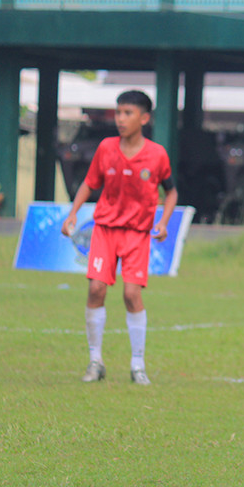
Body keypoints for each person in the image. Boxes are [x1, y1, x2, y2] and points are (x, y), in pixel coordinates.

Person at [61, 90, 177, 386]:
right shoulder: (106, 148)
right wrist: (73, 213)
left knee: (131, 295)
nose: (121, 119)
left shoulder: (157, 154)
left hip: (137, 234)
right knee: (96, 289)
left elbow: (171, 191)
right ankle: (95, 361)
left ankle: (138, 364)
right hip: (105, 230)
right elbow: (89, 183)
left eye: (128, 113)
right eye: (118, 112)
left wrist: (163, 222)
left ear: (145, 118)